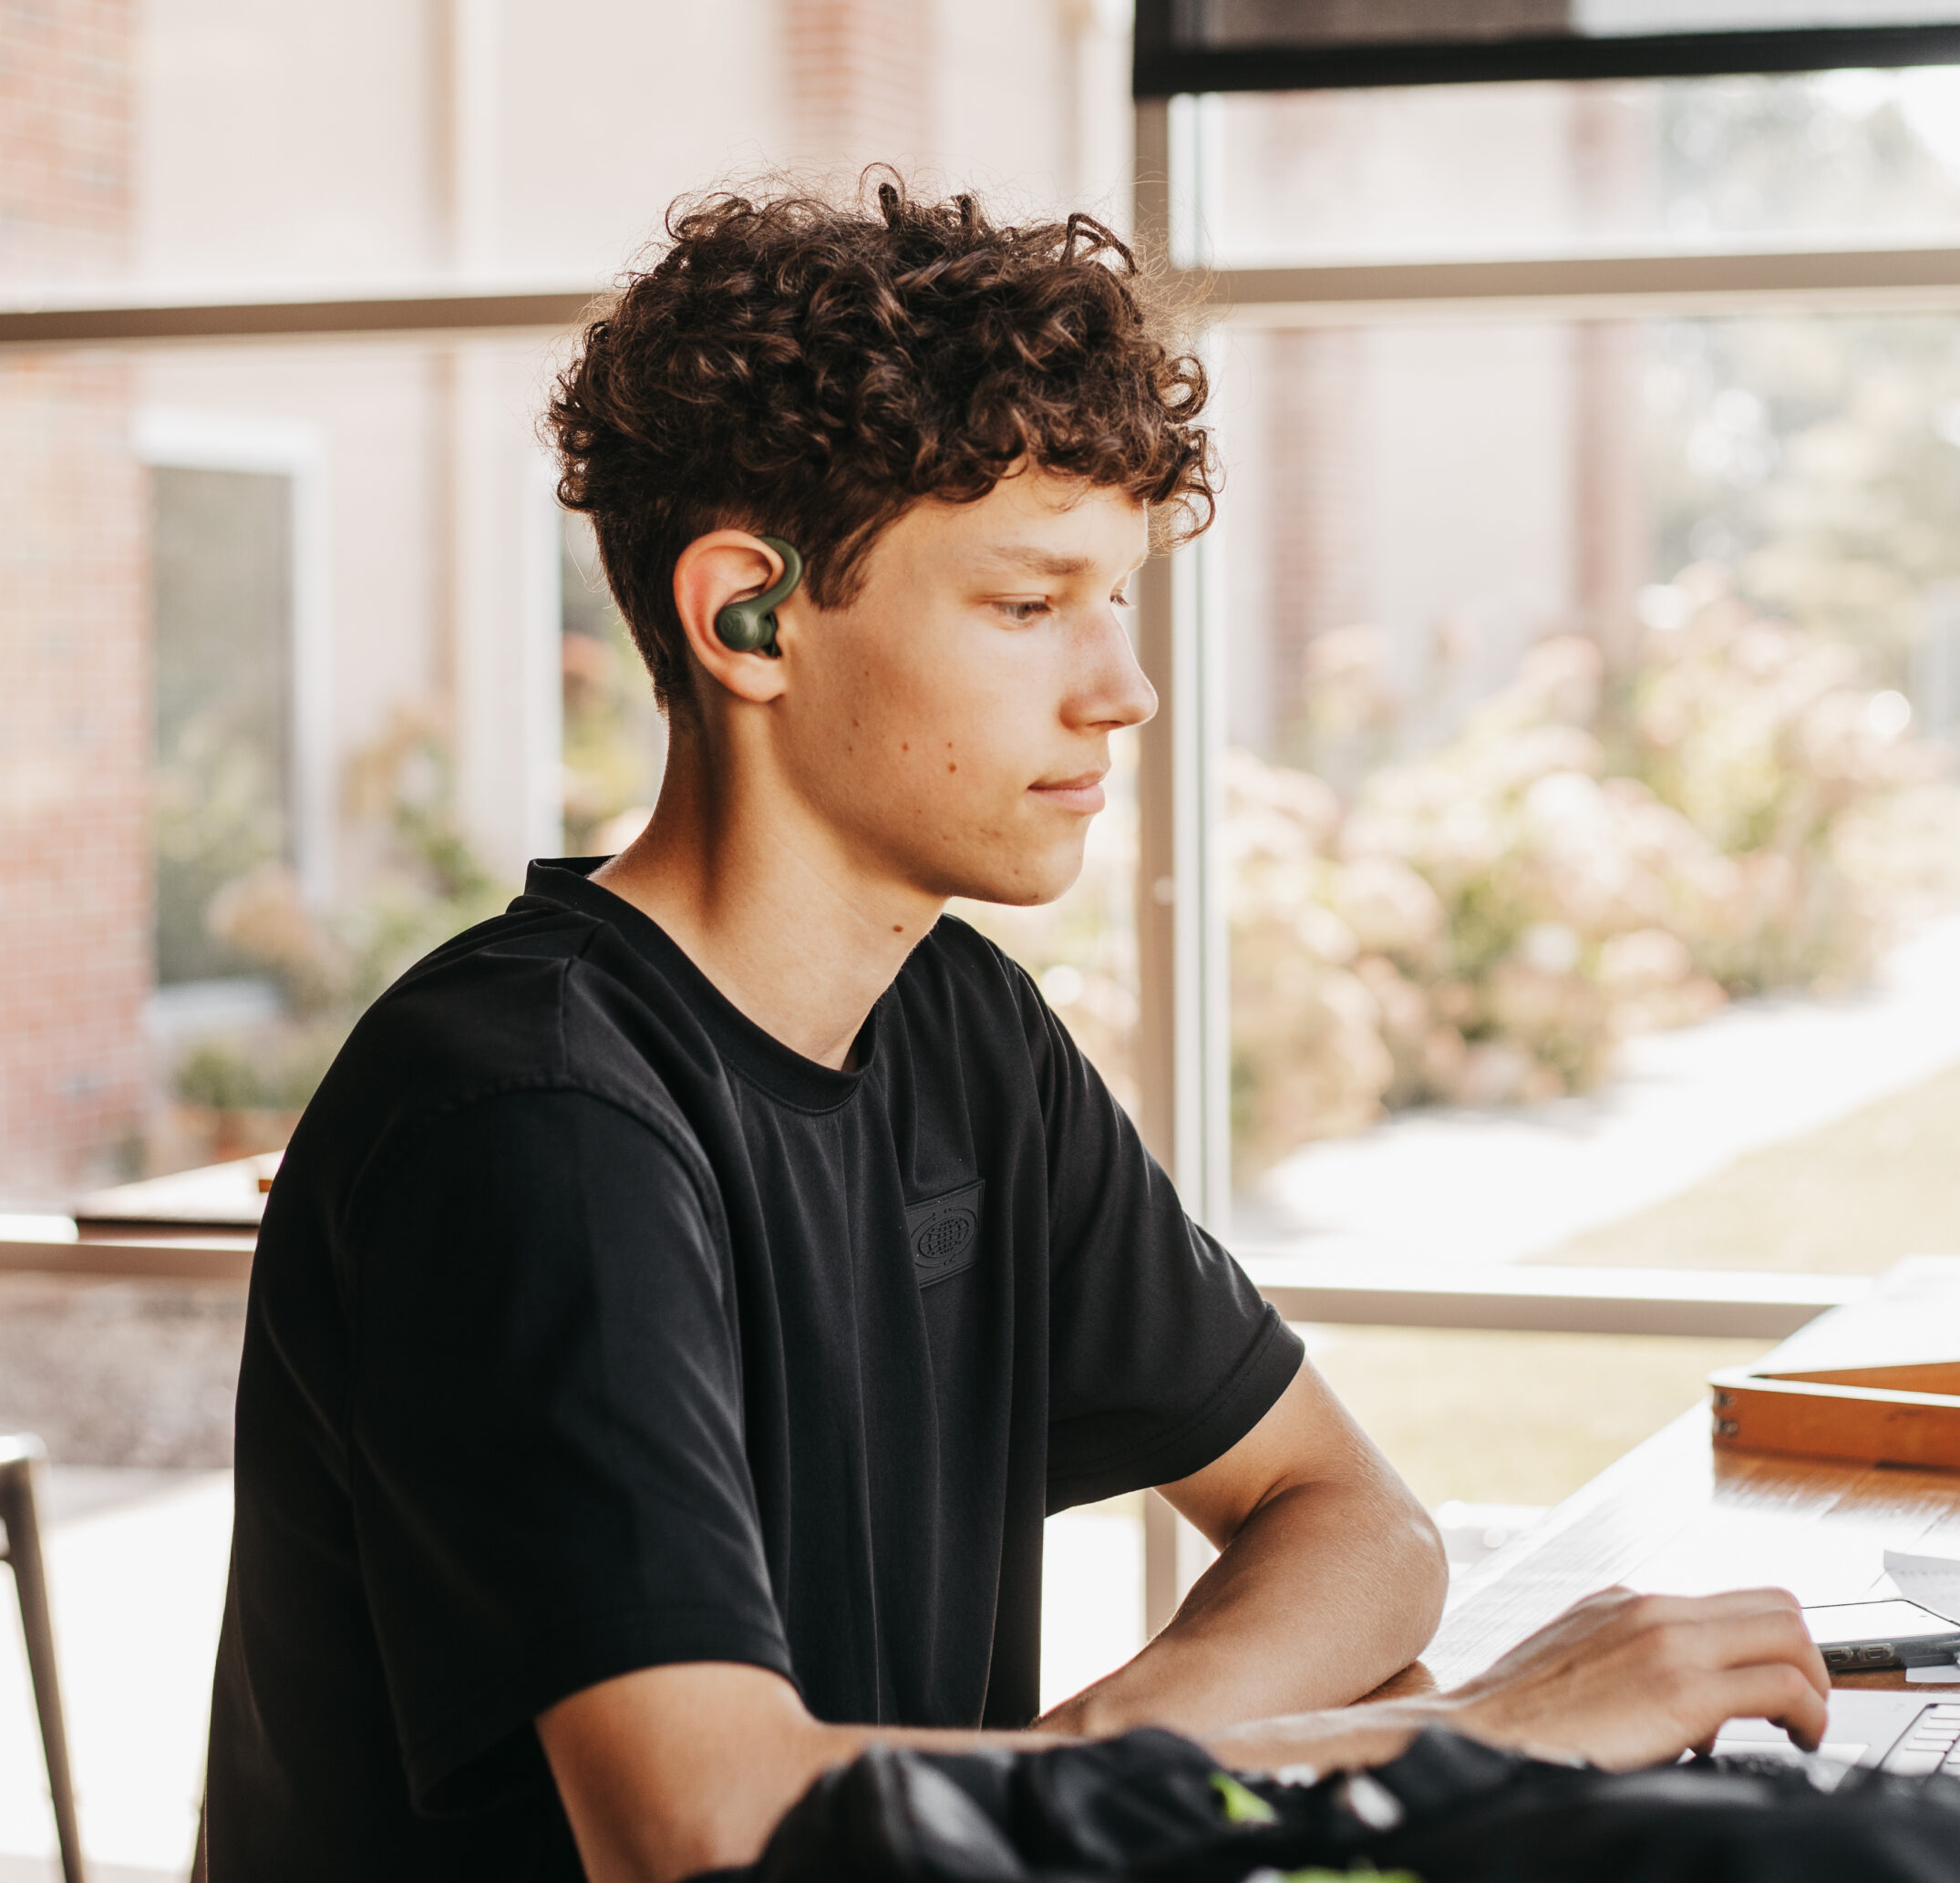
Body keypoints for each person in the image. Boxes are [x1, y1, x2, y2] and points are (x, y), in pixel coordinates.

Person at [202, 181, 1831, 1883]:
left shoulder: (957, 1027)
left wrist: (1108, 1757)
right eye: (1028, 601)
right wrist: (1466, 1739)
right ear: (746, 615)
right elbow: (707, 1829)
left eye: (1115, 597)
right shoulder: (530, 1112)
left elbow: (1360, 1528)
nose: (1119, 686)